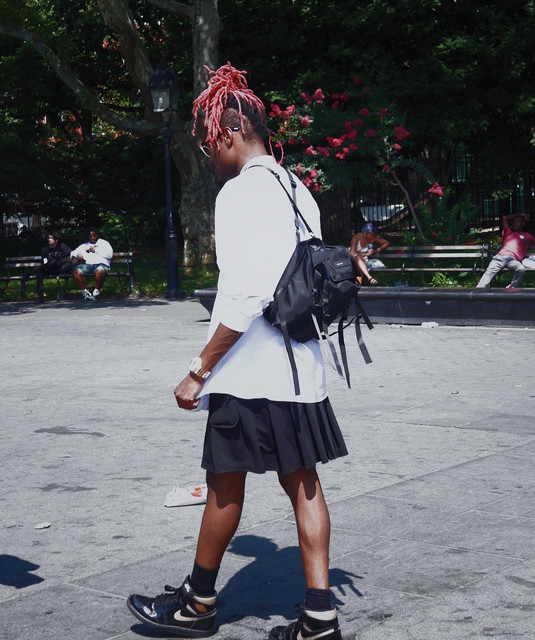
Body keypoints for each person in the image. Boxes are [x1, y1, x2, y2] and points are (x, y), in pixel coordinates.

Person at [127, 63, 347, 640]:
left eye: (210, 143)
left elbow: (248, 294)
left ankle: (197, 605)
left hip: (252, 371)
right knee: (304, 485)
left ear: (230, 131)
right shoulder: (297, 189)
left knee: (225, 480)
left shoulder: (241, 192)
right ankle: (319, 617)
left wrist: (199, 369)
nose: (211, 156)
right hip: (301, 369)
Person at [476, 213, 534, 289]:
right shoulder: (508, 232)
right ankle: (479, 289)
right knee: (490, 271)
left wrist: (529, 242)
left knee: (521, 268)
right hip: (500, 257)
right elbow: (504, 218)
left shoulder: (526, 235)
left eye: (517, 221)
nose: (515, 224)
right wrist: (520, 214)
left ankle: (512, 287)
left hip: (513, 260)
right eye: (514, 222)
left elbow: (532, 241)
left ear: (523, 224)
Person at [70, 227, 113, 300]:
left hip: (101, 264)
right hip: (88, 266)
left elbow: (110, 254)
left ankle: (96, 292)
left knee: (99, 271)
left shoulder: (104, 243)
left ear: (97, 235)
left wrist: (95, 250)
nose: (93, 238)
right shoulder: (85, 245)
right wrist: (77, 254)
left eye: (94, 235)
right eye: (90, 236)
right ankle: (85, 293)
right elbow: (72, 253)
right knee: (75, 271)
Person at [34, 231, 73, 301]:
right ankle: (40, 296)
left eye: (51, 238)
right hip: (49, 269)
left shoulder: (62, 246)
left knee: (54, 261)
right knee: (39, 271)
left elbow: (71, 255)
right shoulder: (45, 249)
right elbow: (45, 262)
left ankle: (30, 272)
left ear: (56, 240)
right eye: (48, 238)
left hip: (60, 269)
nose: (49, 240)